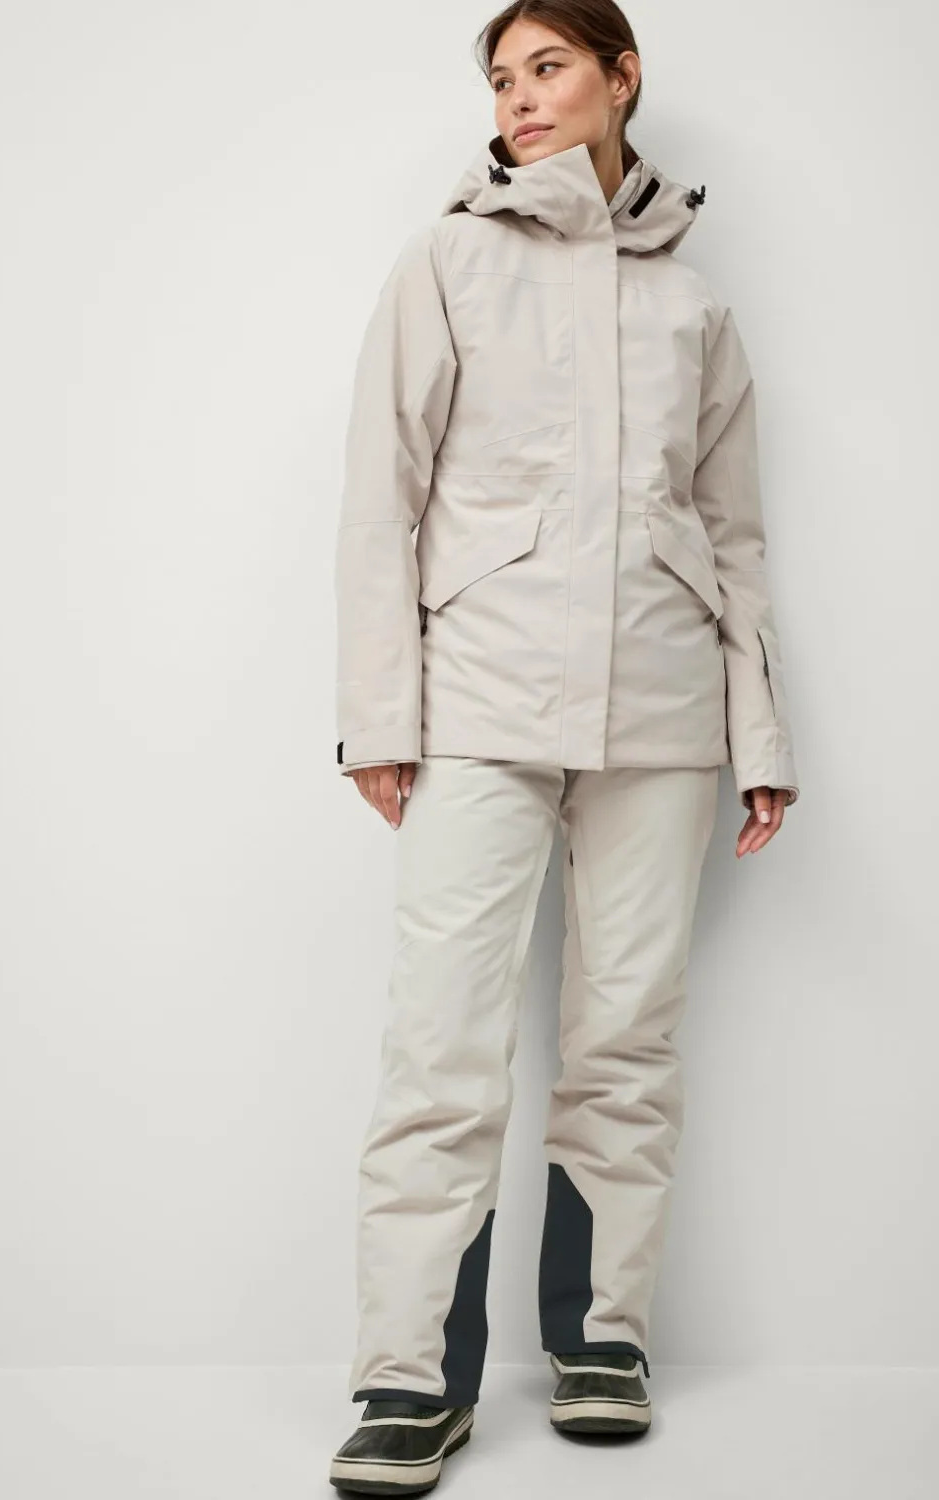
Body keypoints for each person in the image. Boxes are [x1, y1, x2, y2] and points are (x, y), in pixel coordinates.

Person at [328, 2, 800, 1492]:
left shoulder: (694, 305)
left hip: (662, 711)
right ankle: (411, 1378)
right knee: (441, 1045)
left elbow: (732, 533)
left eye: (550, 68)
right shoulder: (448, 261)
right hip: (480, 702)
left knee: (627, 1038)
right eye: (503, 78)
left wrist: (758, 729)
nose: (521, 99)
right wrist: (381, 716)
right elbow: (381, 499)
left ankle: (602, 1338)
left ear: (620, 77)